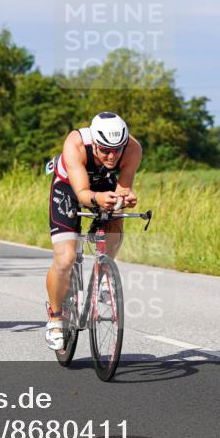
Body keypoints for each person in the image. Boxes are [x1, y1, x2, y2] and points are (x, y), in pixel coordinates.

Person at [44, 112, 142, 350]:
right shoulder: (76, 144)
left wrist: (125, 198)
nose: (112, 156)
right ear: (95, 143)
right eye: (105, 150)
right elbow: (82, 193)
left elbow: (123, 187)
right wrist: (98, 199)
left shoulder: (133, 148)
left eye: (117, 150)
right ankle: (55, 318)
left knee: (117, 211)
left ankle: (105, 272)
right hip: (69, 187)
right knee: (66, 259)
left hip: (102, 184)